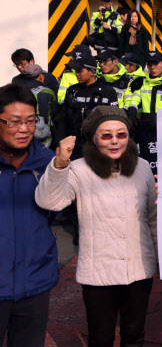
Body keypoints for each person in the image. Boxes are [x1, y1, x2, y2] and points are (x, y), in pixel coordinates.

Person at [35, 106, 157, 347]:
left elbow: (152, 216)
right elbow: (49, 201)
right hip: (98, 272)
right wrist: (59, 163)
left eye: (121, 134)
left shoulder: (142, 166)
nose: (114, 141)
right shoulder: (78, 169)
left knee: (135, 335)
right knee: (101, 337)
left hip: (139, 267)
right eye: (106, 135)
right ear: (93, 138)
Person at [0, 84, 59, 347]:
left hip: (34, 284)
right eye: (14, 122)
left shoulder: (49, 163)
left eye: (30, 121)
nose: (24, 129)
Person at [57, 46, 119, 161]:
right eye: (75, 71)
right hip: (75, 148)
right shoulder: (72, 91)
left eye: (80, 71)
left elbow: (114, 122)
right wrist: (59, 143)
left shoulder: (108, 92)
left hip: (99, 147)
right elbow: (63, 119)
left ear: (92, 71)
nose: (76, 74)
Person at [126, 50, 162, 173]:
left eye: (155, 63)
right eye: (149, 64)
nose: (152, 67)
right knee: (145, 161)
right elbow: (136, 99)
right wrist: (131, 112)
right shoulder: (142, 82)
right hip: (145, 127)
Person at [21, 64, 58, 147]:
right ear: (41, 76)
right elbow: (54, 113)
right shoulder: (48, 92)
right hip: (44, 133)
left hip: (25, 131)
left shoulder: (20, 92)